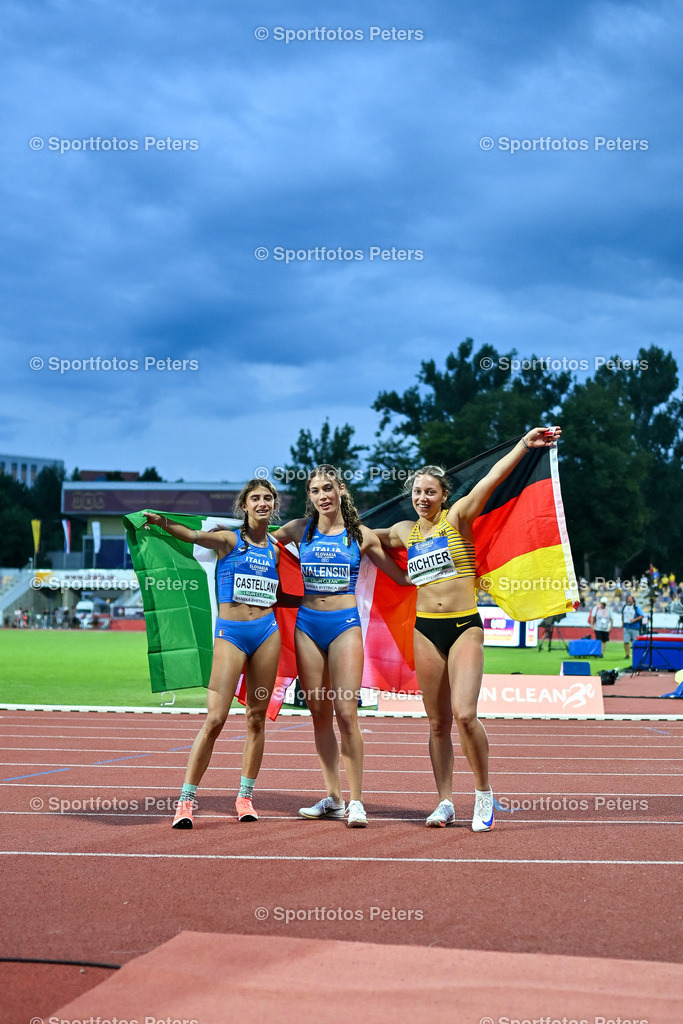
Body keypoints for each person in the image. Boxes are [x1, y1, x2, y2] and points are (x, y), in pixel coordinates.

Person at [376, 426, 562, 832]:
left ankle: (483, 794)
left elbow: (491, 477)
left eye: (430, 492)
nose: (422, 498)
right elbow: (355, 535)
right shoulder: (403, 531)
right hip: (426, 629)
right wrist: (312, 525)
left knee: (464, 714)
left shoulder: (458, 516)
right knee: (437, 722)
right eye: (416, 493)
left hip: (464, 627)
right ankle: (444, 801)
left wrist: (522, 446)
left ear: (443, 495)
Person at [141, 479, 283, 829]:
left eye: (268, 498)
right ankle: (186, 800)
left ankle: (245, 796)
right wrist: (162, 524)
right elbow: (190, 537)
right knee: (215, 719)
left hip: (267, 633)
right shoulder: (228, 540)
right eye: (255, 499)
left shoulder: (277, 549)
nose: (262, 503)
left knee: (256, 717)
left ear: (274, 505)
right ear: (244, 506)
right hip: (232, 634)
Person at [273, 465, 410, 828]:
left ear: (340, 490)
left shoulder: (360, 534)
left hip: (345, 626)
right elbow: (253, 541)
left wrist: (444, 567)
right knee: (318, 714)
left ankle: (357, 801)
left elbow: (400, 577)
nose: (322, 495)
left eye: (327, 488)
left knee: (346, 714)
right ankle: (333, 797)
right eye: (315, 490)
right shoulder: (297, 530)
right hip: (306, 626)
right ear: (310, 497)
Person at [621, 593, 643, 660]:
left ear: (633, 600)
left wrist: (634, 620)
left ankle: (635, 654)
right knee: (626, 641)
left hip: (635, 627)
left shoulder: (637, 607)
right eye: (628, 599)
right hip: (626, 626)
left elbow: (641, 615)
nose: (629, 600)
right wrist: (622, 622)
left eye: (630, 599)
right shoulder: (625, 607)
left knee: (635, 642)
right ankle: (627, 654)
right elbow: (622, 615)